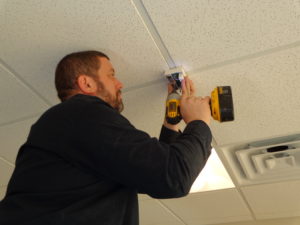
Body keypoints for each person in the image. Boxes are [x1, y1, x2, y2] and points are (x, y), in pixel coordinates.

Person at [0, 51, 212, 225]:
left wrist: (171, 124)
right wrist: (199, 122)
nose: (119, 83)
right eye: (111, 75)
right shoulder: (82, 112)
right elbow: (172, 177)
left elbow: (153, 176)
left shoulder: (70, 124)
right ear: (87, 83)